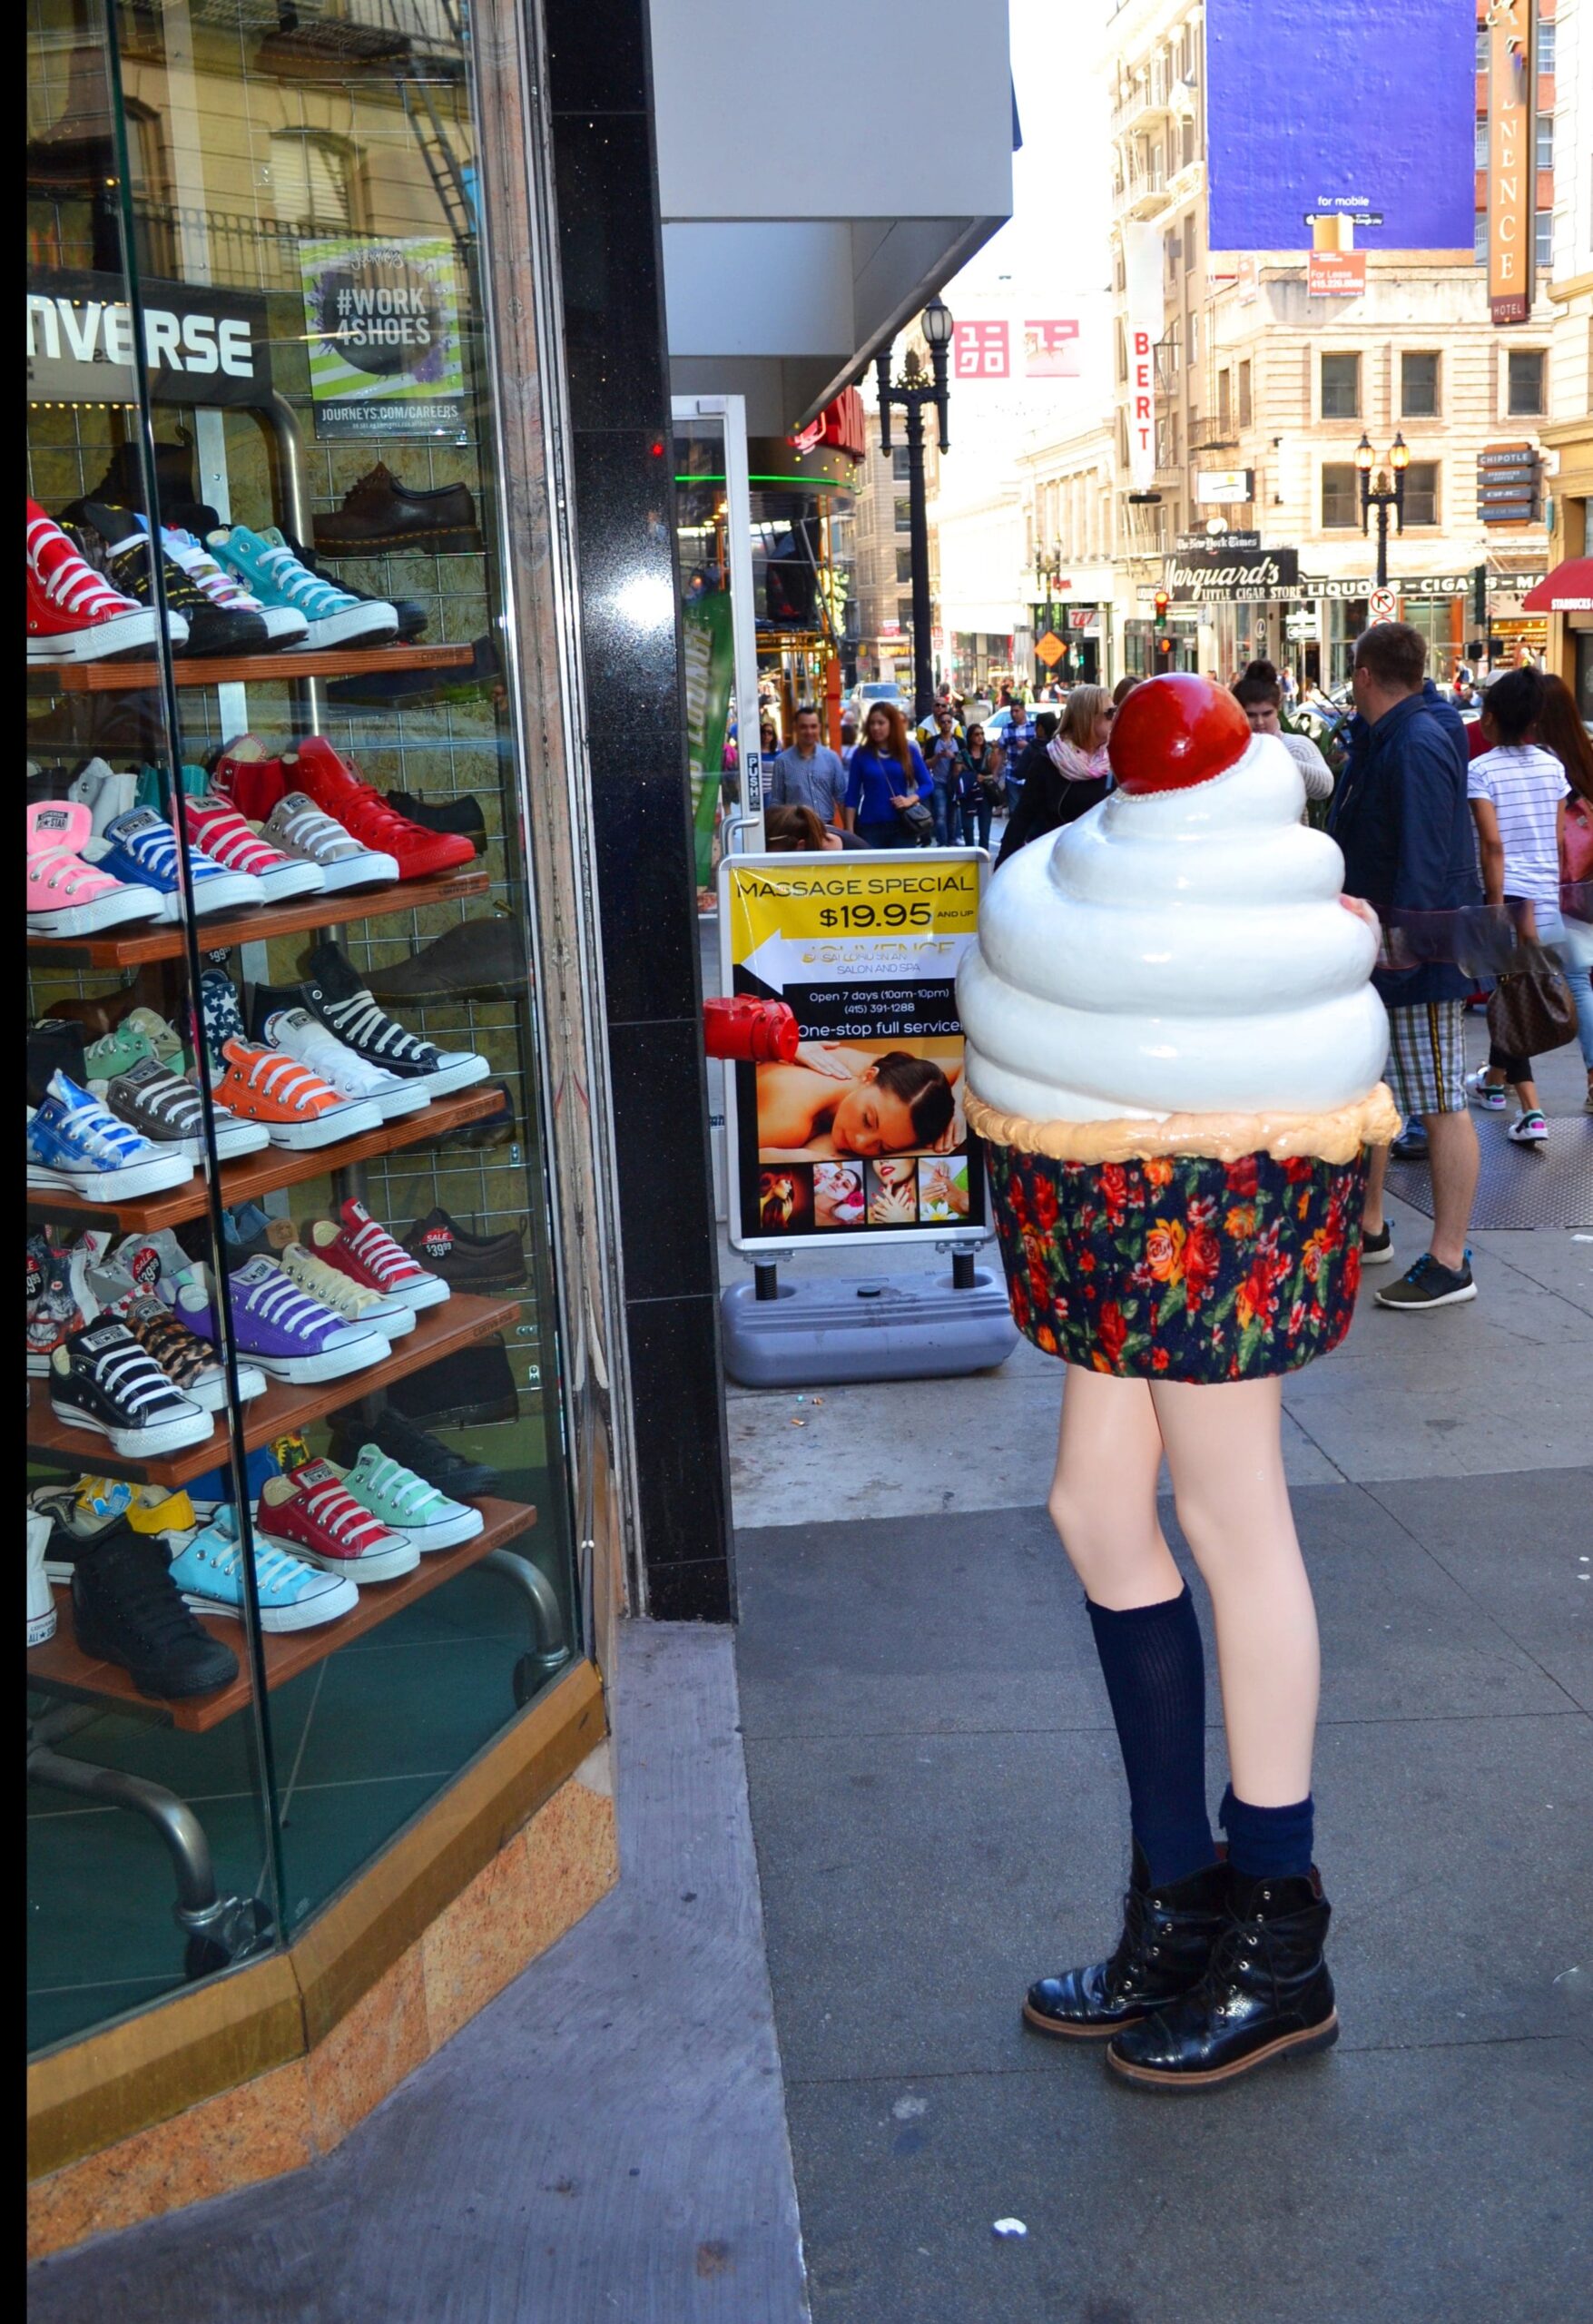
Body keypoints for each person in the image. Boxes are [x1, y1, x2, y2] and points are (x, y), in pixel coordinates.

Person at [1330, 622, 1481, 1311]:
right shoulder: (1404, 732)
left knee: (1442, 1102)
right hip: (1399, 947)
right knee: (1391, 1094)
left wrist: (1405, 946)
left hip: (1415, 951)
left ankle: (1449, 1261)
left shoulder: (1414, 739)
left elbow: (1424, 856)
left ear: (1364, 674)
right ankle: (1372, 1229)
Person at [1460, 667, 1574, 1143]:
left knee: (1511, 998)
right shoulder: (1553, 766)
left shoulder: (1482, 770)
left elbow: (1492, 846)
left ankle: (1532, 1112)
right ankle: (1492, 1083)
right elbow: (1558, 838)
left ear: (1489, 717)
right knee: (1516, 992)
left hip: (1507, 896)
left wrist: (1493, 909)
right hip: (1546, 897)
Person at [1533, 673, 1593, 1110]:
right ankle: (1499, 1074)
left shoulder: (1543, 763)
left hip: (1555, 887)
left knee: (1573, 979)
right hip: (1585, 884)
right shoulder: (1584, 754)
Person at [754, 1040, 961, 1159]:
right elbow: (738, 1165)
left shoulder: (881, 1074)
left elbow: (965, 1064)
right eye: (868, 1120)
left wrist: (959, 1107)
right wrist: (776, 1158)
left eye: (882, 1147)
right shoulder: (790, 1119)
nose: (860, 1143)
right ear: (869, 1076)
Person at [996, 686, 1115, 867]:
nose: (1115, 717)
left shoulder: (1115, 758)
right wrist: (1001, 867)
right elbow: (1022, 818)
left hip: (1104, 865)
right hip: (1057, 864)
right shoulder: (1049, 761)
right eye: (1110, 712)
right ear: (1088, 717)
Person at [1232, 663, 1333, 814]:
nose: (1260, 722)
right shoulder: (1230, 751)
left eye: (1267, 714)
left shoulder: (1296, 746)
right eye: (1251, 715)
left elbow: (1324, 787)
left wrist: (1275, 758)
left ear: (1278, 709)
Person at [843, 702, 933, 848]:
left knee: (903, 863)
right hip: (870, 827)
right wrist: (849, 831)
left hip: (902, 825)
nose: (875, 728)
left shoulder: (908, 750)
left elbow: (927, 784)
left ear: (892, 724)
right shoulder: (861, 755)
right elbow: (852, 795)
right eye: (872, 723)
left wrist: (910, 800)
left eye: (881, 723)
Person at [766, 704, 848, 826]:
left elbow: (841, 797)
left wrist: (849, 830)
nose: (809, 731)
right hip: (795, 829)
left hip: (826, 828)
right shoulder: (782, 761)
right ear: (795, 728)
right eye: (803, 727)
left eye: (813, 726)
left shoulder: (831, 758)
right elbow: (777, 801)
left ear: (819, 728)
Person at [956, 721, 1004, 848]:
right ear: (970, 737)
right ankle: (970, 851)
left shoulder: (988, 751)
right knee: (967, 826)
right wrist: (971, 776)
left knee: (984, 827)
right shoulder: (963, 753)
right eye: (977, 734)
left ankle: (984, 852)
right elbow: (957, 773)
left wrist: (994, 750)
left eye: (982, 734)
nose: (980, 737)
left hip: (985, 792)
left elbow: (994, 771)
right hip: (968, 792)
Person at [923, 704, 966, 843]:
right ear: (939, 724)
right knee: (940, 813)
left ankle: (953, 840)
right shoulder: (933, 742)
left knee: (953, 812)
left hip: (954, 782)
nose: (946, 724)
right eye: (943, 722)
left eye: (949, 722)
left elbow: (966, 762)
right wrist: (938, 757)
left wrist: (954, 756)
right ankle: (942, 842)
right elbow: (926, 763)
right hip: (938, 781)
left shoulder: (959, 741)